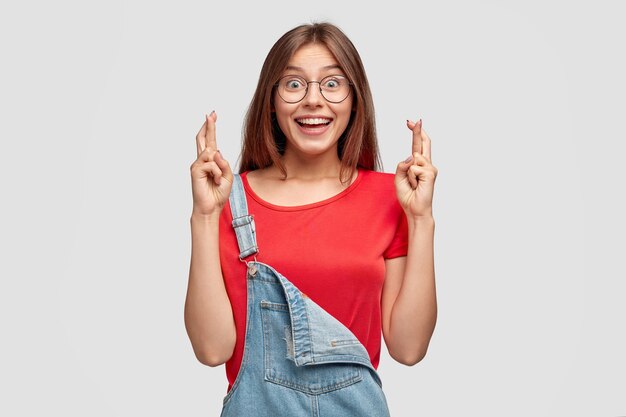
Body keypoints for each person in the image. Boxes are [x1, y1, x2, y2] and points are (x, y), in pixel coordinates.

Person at [185, 22, 438, 416]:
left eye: (333, 84)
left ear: (355, 99)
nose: (314, 101)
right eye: (294, 84)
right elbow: (211, 349)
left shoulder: (391, 197)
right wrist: (203, 216)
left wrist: (421, 220)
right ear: (272, 100)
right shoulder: (229, 200)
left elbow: (408, 348)